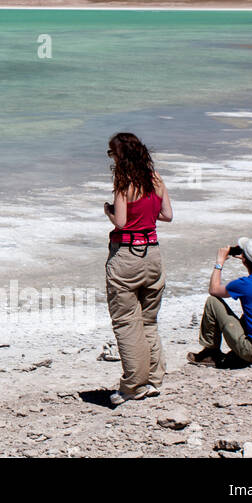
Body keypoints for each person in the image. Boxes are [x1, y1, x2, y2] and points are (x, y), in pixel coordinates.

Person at [102, 132, 173, 406]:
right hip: (153, 254)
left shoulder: (124, 184)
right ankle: (154, 380)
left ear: (120, 155)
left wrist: (108, 210)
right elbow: (167, 215)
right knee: (148, 321)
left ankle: (133, 386)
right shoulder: (155, 179)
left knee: (125, 323)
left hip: (127, 256)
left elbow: (120, 222)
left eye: (112, 153)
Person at [188, 237, 252, 367]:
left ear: (244, 260)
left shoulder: (245, 284)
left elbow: (213, 290)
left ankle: (210, 353)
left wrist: (219, 262)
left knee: (213, 302)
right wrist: (246, 259)